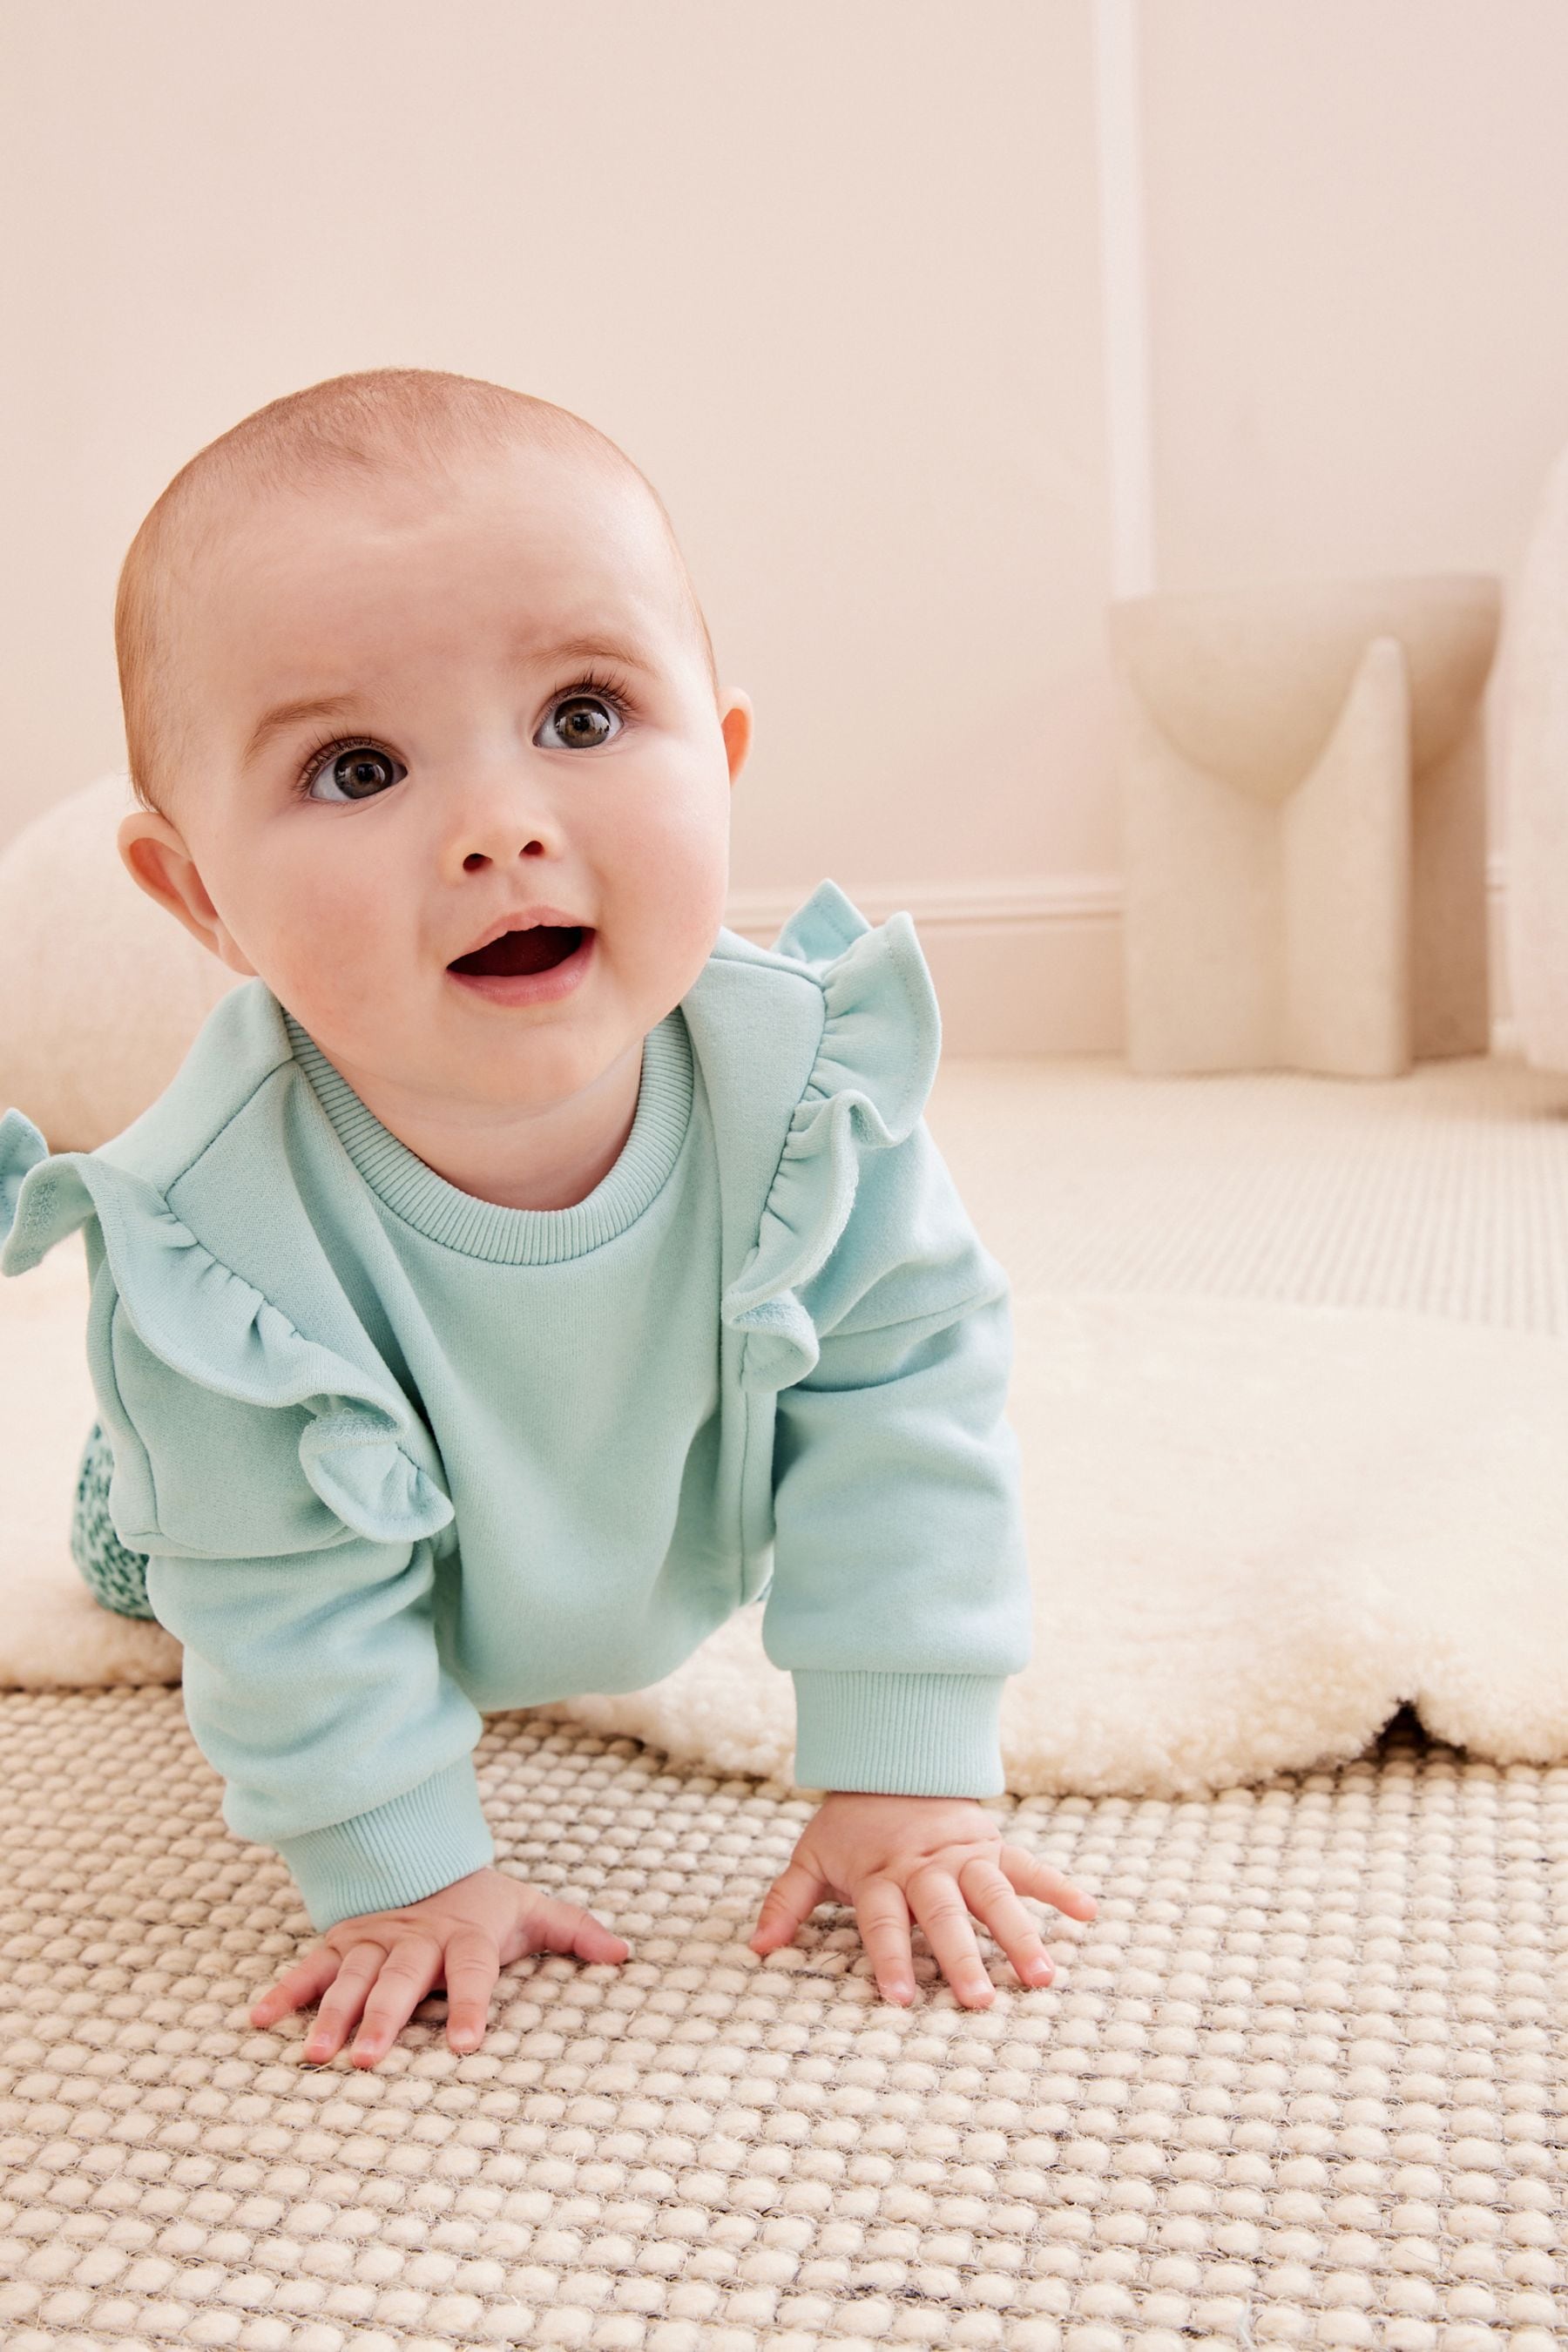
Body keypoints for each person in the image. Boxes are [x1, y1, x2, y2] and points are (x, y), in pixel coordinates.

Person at [0, 368, 1095, 2070]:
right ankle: (120, 1501)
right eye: (357, 766)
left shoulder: (811, 1097)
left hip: (622, 1478)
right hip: (269, 1502)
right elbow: (282, 1610)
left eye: (583, 718)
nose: (503, 825)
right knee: (177, 1548)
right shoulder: (214, 1254)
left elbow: (906, 1416)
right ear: (200, 894)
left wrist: (906, 1780)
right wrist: (400, 1875)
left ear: (719, 761)